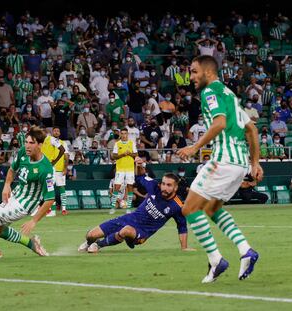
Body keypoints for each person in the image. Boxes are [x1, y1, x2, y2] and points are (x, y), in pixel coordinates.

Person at [178, 55, 263, 283]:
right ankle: (246, 250)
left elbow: (219, 123)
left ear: (208, 72)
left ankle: (216, 260)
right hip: (239, 164)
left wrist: (194, 147)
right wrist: (254, 163)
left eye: (194, 72)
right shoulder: (229, 94)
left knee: (189, 210)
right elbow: (252, 130)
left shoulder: (210, 92)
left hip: (223, 160)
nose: (191, 77)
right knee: (211, 210)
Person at [0, 127, 54, 260]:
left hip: (24, 205)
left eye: (31, 143)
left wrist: (34, 221)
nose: (27, 145)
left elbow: (50, 199)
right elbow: (12, 169)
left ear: (40, 145)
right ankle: (31, 243)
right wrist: (6, 185)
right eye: (26, 142)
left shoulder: (46, 169)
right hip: (15, 195)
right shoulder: (24, 151)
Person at [78, 162, 193, 253]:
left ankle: (99, 245)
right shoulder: (154, 186)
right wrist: (139, 166)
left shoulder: (177, 206)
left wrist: (184, 247)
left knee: (126, 230)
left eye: (168, 185)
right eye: (163, 183)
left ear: (175, 188)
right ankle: (90, 242)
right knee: (91, 235)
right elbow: (140, 177)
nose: (164, 187)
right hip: (128, 218)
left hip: (141, 232)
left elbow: (182, 227)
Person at [110, 128, 138, 214]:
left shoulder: (131, 143)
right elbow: (114, 156)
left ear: (127, 134)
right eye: (122, 133)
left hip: (130, 169)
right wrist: (122, 154)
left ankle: (128, 207)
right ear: (120, 135)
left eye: (125, 133)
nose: (123, 135)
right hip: (120, 169)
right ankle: (112, 207)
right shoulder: (117, 144)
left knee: (130, 187)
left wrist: (129, 153)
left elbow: (136, 154)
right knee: (117, 187)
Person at [41, 127, 68, 217]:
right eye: (55, 131)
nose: (56, 132)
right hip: (50, 168)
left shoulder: (63, 143)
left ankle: (64, 208)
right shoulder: (47, 141)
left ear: (60, 133)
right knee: (49, 188)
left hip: (59, 169)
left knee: (61, 188)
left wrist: (65, 168)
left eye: (58, 131)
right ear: (52, 132)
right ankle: (49, 208)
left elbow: (66, 156)